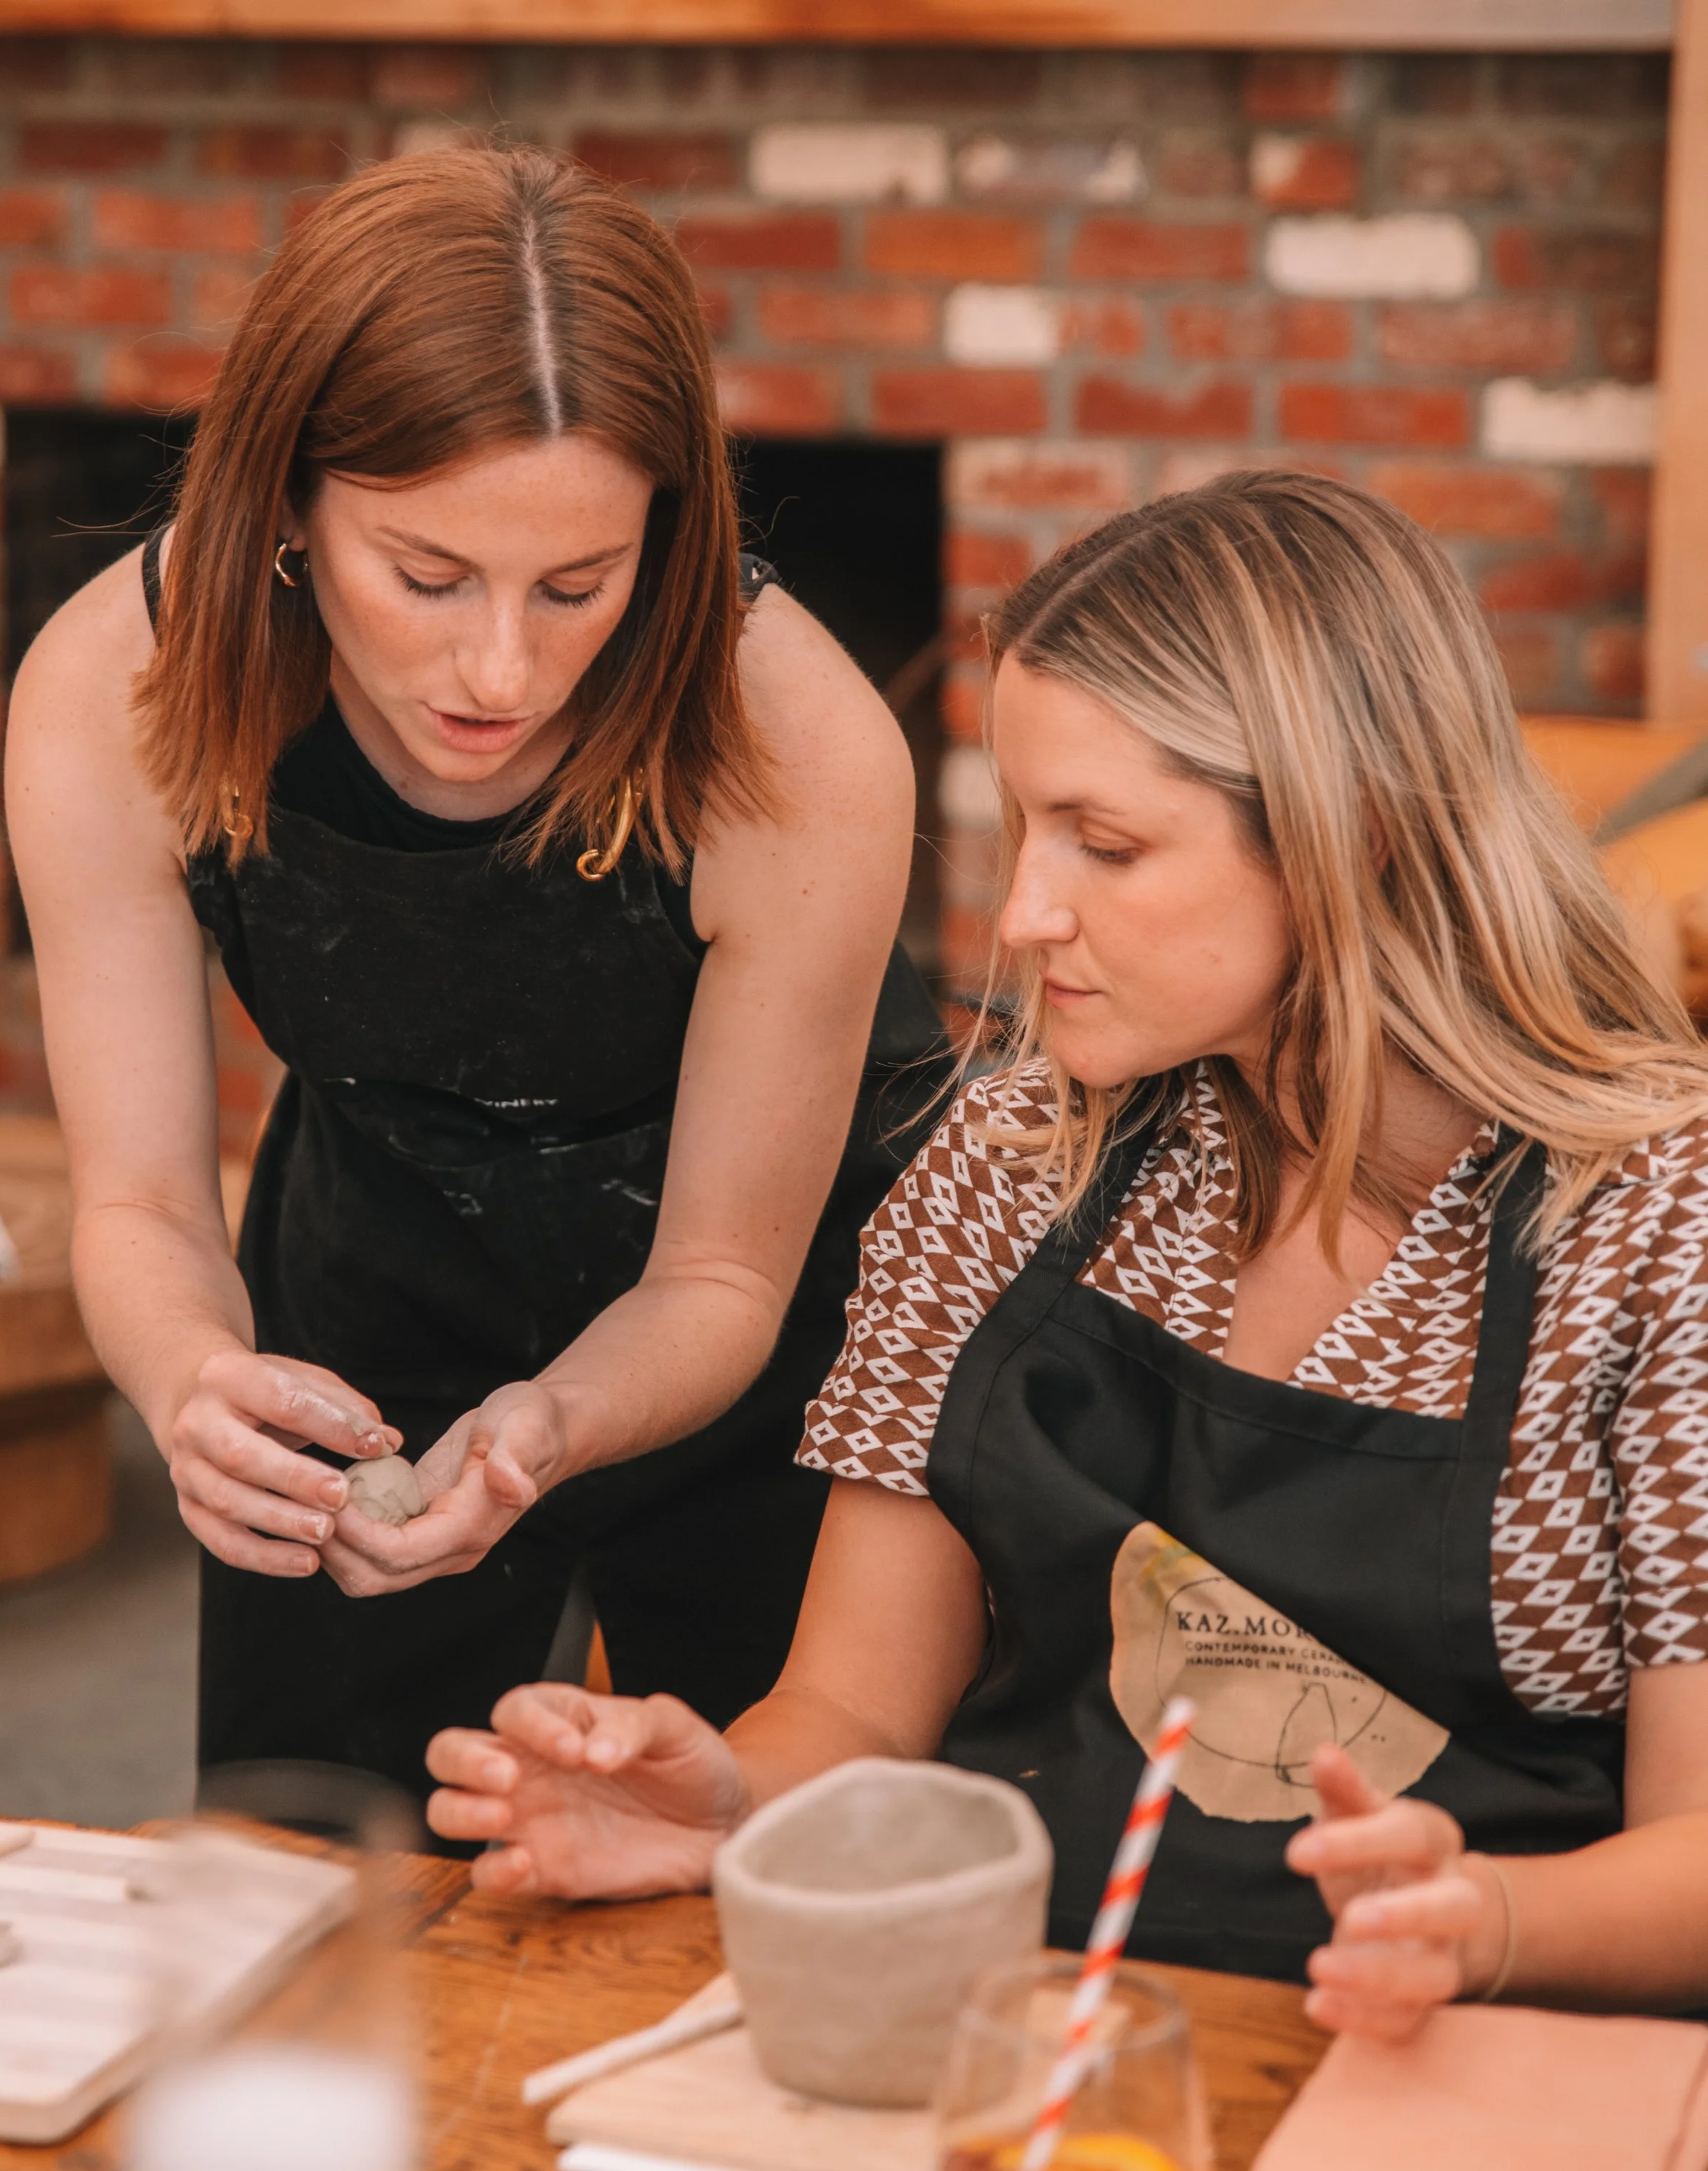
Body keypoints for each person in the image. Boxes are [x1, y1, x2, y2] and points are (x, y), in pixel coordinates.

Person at [429, 471, 1708, 2039]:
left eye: (1102, 841)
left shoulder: (1654, 1235)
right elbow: (852, 1700)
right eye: (1022, 823)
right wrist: (730, 1799)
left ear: (1350, 837)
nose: (1023, 911)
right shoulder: (1010, 1162)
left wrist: (1485, 1914)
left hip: (1455, 2066)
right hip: (1021, 2038)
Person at [7, 145, 945, 1814]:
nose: (498, 667)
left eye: (578, 584)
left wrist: (549, 1421)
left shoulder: (801, 745)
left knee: (735, 1891)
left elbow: (721, 1272)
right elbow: (140, 1201)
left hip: (776, 1342)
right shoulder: (111, 687)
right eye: (425, 575)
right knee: (314, 1885)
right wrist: (191, 1382)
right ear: (286, 501)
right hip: (372, 1283)